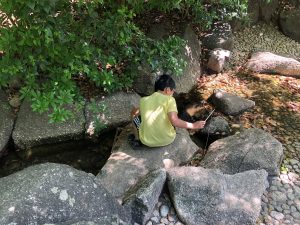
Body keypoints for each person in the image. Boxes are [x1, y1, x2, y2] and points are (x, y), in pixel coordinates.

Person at [129, 74, 206, 148]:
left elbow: (134, 113)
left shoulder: (143, 100)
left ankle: (137, 139)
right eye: (173, 92)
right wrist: (193, 125)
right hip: (167, 139)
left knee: (134, 117)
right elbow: (174, 121)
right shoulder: (170, 100)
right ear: (167, 90)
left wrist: (135, 113)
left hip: (146, 141)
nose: (172, 94)